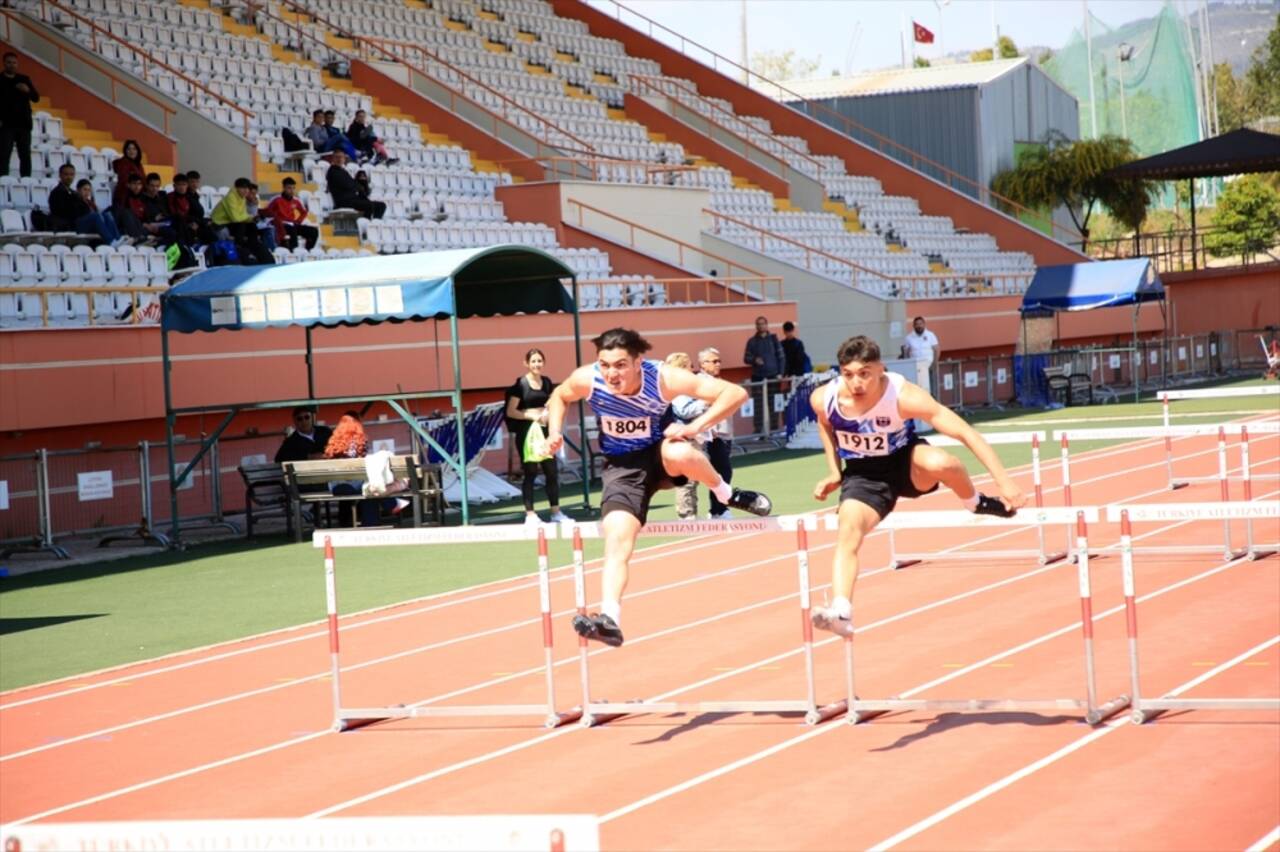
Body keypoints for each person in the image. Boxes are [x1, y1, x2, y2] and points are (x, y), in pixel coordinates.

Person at [545, 327, 774, 647]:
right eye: (605, 364)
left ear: (639, 361)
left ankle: (727, 494)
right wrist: (554, 431)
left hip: (662, 455)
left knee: (681, 451)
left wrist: (696, 426)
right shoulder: (589, 378)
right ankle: (610, 619)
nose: (611, 374)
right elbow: (560, 395)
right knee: (617, 537)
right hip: (622, 469)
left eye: (621, 365)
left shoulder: (663, 378)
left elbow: (734, 394)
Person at [807, 335, 1026, 637]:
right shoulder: (825, 398)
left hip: (906, 461)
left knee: (943, 463)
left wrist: (1004, 481)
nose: (856, 383)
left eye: (864, 374)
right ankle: (842, 611)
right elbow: (824, 424)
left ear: (880, 369)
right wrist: (835, 471)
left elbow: (964, 432)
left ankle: (974, 501)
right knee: (848, 531)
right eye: (848, 375)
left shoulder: (903, 396)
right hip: (864, 477)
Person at [504, 348, 570, 526]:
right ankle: (530, 515)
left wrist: (548, 411)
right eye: (533, 361)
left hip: (544, 431)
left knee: (551, 471)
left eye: (539, 360)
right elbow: (511, 411)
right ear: (526, 363)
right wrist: (532, 415)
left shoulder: (547, 382)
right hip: (527, 434)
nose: (537, 364)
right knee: (531, 472)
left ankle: (555, 512)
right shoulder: (520, 386)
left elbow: (552, 401)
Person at [665, 352, 706, 521]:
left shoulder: (680, 388)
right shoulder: (678, 389)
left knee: (693, 478)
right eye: (689, 365)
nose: (693, 369)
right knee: (687, 479)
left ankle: (691, 513)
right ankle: (687, 516)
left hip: (687, 436)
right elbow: (684, 410)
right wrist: (705, 402)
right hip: (682, 438)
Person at [698, 347, 735, 519]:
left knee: (724, 472)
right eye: (714, 361)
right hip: (710, 435)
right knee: (720, 471)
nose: (718, 364)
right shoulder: (700, 382)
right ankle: (718, 510)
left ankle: (719, 508)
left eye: (719, 361)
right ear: (703, 364)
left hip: (723, 433)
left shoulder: (718, 381)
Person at [211, 177, 274, 264]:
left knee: (252, 225)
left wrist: (253, 218)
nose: (246, 191)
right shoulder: (231, 197)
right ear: (236, 188)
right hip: (220, 224)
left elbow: (243, 215)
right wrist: (251, 217)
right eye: (243, 188)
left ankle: (253, 244)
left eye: (247, 188)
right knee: (242, 225)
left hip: (231, 222)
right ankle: (240, 246)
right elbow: (235, 218)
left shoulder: (242, 198)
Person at [743, 315, 784, 436]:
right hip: (758, 377)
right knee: (758, 405)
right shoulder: (752, 342)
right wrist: (754, 360)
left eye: (763, 324)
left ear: (767, 325)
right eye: (759, 324)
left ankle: (774, 429)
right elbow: (746, 358)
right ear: (756, 326)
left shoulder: (774, 340)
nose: (761, 326)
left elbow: (781, 357)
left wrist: (780, 373)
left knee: (774, 404)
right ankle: (758, 432)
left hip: (773, 377)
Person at [0, 52, 39, 178]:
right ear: (4, 63)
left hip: (24, 124)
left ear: (17, 64)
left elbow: (36, 98)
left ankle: (26, 179)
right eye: (9, 62)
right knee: (4, 153)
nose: (12, 65)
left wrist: (27, 90)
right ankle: (3, 179)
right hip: (6, 123)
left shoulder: (24, 79)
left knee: (25, 155)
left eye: (14, 63)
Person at [326, 151, 385, 219]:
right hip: (344, 201)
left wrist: (358, 186)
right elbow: (348, 185)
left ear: (344, 159)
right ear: (332, 159)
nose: (339, 159)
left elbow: (352, 183)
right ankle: (367, 223)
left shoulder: (342, 171)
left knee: (381, 205)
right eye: (337, 157)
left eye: (341, 157)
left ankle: (374, 223)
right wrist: (357, 186)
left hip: (352, 199)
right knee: (369, 205)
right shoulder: (333, 172)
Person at [265, 177, 319, 250]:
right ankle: (293, 252)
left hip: (293, 224)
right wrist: (276, 222)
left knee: (313, 231)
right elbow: (266, 212)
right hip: (281, 226)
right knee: (292, 230)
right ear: (284, 188)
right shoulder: (276, 199)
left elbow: (304, 212)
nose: (292, 190)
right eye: (289, 188)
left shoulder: (296, 200)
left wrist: (298, 221)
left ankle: (307, 250)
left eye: (293, 188)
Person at [901, 316, 939, 392]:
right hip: (915, 369)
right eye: (917, 324)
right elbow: (906, 352)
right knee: (917, 389)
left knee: (931, 389)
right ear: (914, 326)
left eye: (920, 324)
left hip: (929, 367)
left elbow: (936, 350)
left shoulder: (930, 335)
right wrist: (908, 365)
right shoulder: (909, 338)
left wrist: (934, 364)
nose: (919, 326)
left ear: (924, 324)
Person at [111, 140, 145, 208]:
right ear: (125, 151)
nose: (131, 151)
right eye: (129, 149)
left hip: (138, 192)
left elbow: (144, 180)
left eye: (134, 149)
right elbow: (124, 182)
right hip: (125, 195)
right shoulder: (123, 163)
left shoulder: (138, 164)